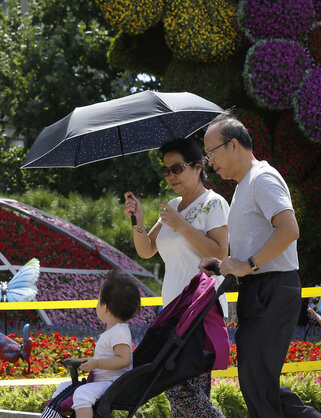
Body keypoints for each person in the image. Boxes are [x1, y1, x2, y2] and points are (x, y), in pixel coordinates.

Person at [198, 113, 321, 418]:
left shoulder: (262, 178)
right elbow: (253, 247)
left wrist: (248, 265)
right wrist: (224, 265)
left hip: (273, 288)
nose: (209, 162)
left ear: (234, 145)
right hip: (260, 288)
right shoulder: (244, 186)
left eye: (211, 152)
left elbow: (289, 229)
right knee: (258, 382)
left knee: (257, 381)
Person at [123, 137, 229, 417]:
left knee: (181, 390)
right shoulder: (172, 205)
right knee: (184, 395)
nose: (170, 176)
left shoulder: (214, 203)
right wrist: (138, 220)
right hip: (172, 309)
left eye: (177, 168)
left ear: (197, 167)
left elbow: (221, 252)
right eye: (166, 170)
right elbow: (146, 249)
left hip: (201, 309)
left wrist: (182, 225)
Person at [48, 269, 141, 418]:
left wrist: (96, 363)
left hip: (114, 384)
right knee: (63, 388)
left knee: (82, 394)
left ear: (105, 307)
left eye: (98, 301)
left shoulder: (119, 331)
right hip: (104, 382)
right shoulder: (113, 331)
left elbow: (124, 360)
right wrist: (87, 362)